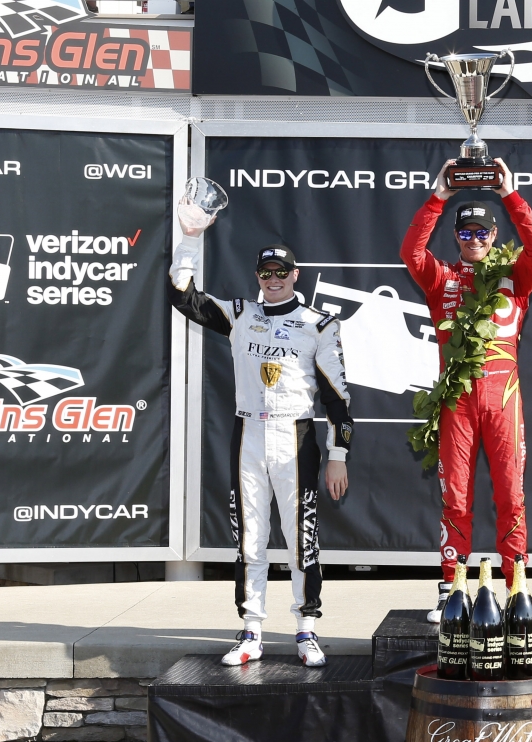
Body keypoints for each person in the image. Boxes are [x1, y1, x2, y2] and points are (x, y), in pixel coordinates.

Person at [168, 207, 353, 668]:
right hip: (248, 430)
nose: (274, 278)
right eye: (266, 272)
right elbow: (183, 297)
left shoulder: (319, 323)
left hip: (297, 434)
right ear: (258, 275)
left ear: (296, 274)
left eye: (282, 271)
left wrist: (338, 455)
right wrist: (190, 238)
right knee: (250, 539)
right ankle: (251, 630)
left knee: (300, 540)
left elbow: (338, 399)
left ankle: (306, 629)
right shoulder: (239, 314)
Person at [401, 158, 532, 622]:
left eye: (483, 233)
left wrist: (510, 193)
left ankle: (516, 587)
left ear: (494, 236)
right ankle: (451, 587)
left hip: (503, 399)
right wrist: (438, 196)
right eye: (465, 233)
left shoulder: (515, 278)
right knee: (456, 496)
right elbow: (411, 251)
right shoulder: (440, 277)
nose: (474, 240)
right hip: (457, 403)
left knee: (511, 495)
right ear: (456, 237)